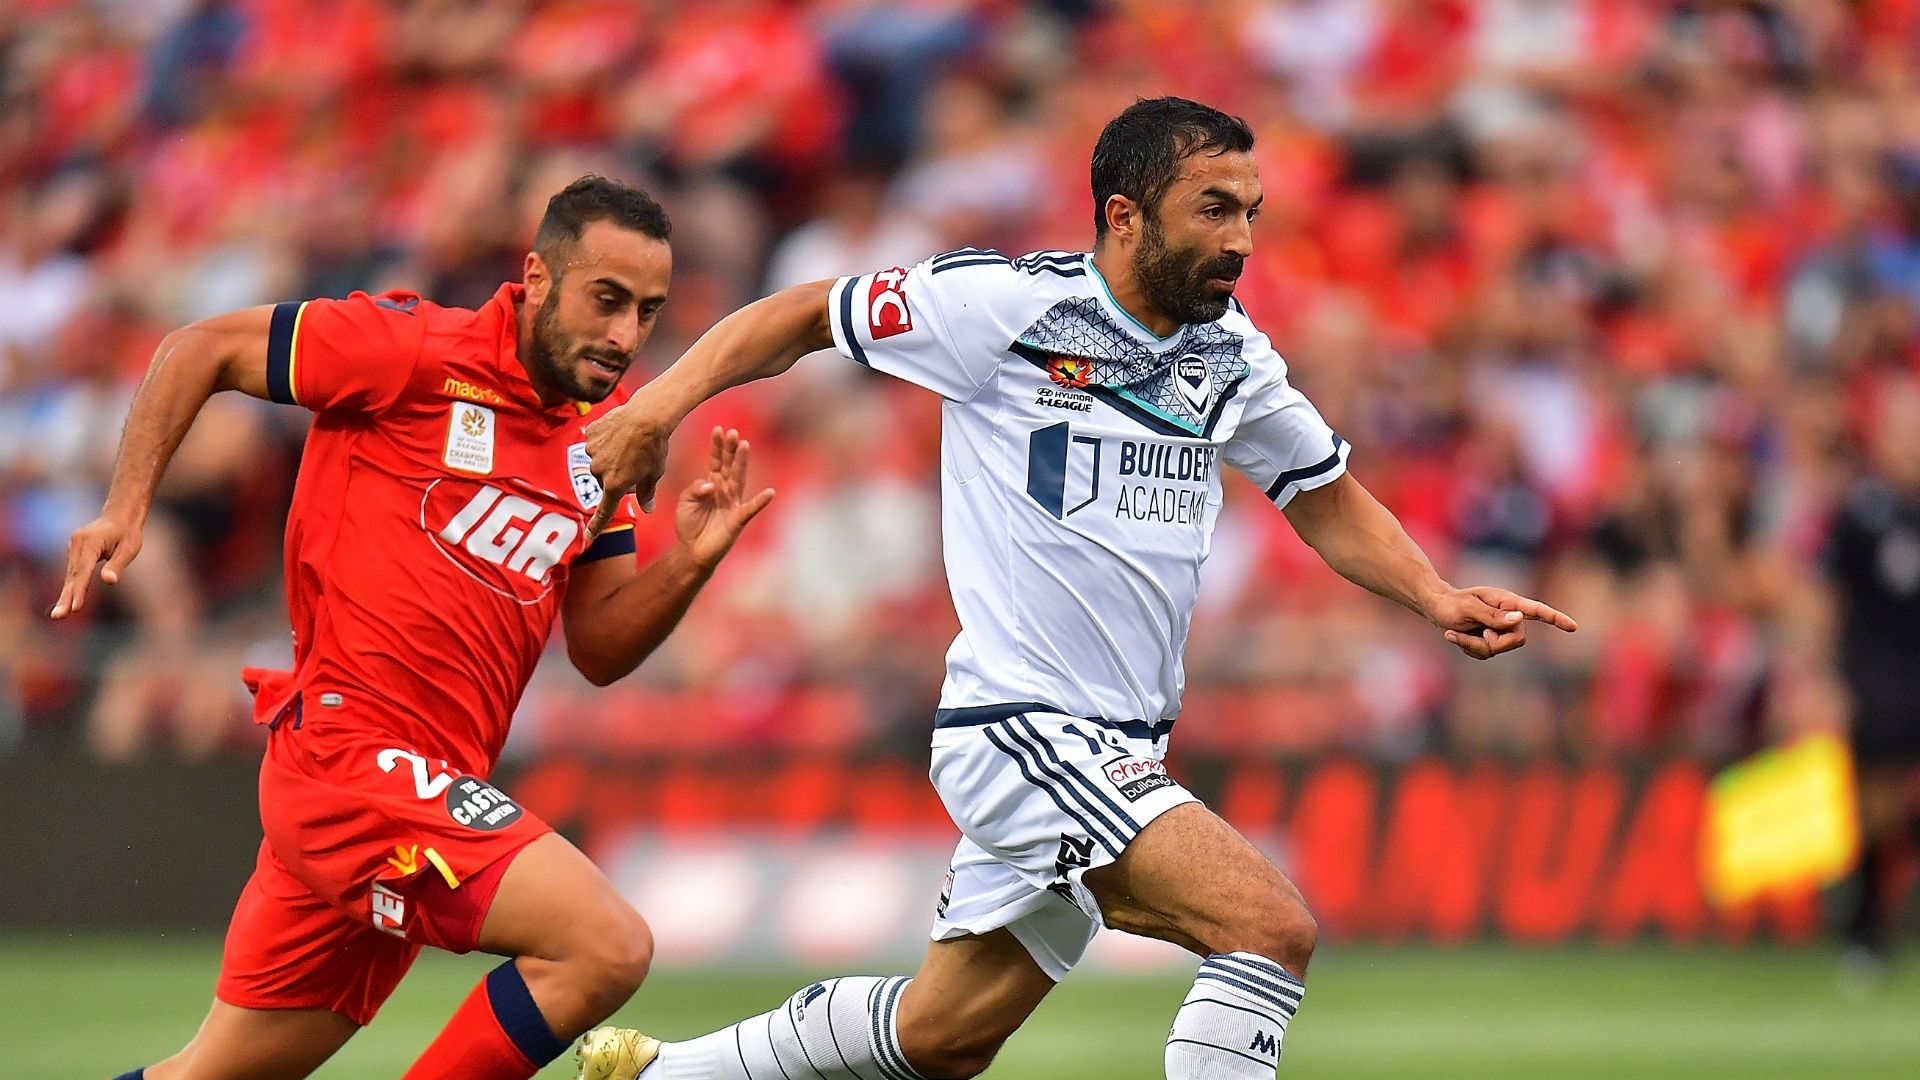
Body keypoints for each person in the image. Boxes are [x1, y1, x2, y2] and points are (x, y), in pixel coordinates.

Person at [574, 98, 1576, 1080]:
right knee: (1267, 928)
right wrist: (657, 408)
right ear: (1125, 215)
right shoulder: (1004, 307)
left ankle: (656, 1075)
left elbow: (1324, 498)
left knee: (941, 1037)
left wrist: (1435, 595)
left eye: (1251, 213)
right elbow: (801, 314)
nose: (1241, 241)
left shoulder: (1230, 358)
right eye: (1214, 210)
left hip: (1122, 745)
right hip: (1025, 728)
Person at [52, 175, 774, 1080]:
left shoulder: (603, 442)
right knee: (606, 946)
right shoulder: (410, 349)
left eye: (648, 311)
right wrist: (126, 506)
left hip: (419, 792)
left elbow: (598, 647)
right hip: (353, 764)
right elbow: (202, 347)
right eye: (608, 299)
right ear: (539, 278)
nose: (626, 335)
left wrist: (689, 562)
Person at [1827, 380, 1920, 986]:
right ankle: (1867, 931)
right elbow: (1830, 599)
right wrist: (1825, 676)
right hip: (1880, 670)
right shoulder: (1862, 514)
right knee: (1876, 807)